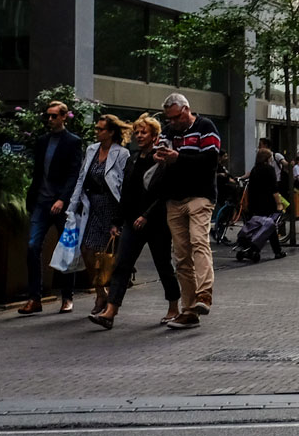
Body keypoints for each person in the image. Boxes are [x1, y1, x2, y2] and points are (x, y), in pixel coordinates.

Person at [90, 114, 181, 330]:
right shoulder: (132, 159)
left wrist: (146, 215)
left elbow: (163, 193)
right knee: (122, 264)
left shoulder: (160, 159)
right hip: (132, 221)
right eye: (137, 132)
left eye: (144, 132)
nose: (139, 136)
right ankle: (111, 311)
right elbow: (127, 193)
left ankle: (173, 307)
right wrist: (117, 221)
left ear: (154, 136)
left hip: (156, 222)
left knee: (163, 265)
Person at [155, 93, 220, 329]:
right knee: (181, 255)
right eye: (168, 119)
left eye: (175, 118)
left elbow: (210, 160)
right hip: (174, 199)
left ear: (186, 110)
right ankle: (190, 309)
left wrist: (178, 158)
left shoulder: (205, 127)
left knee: (199, 241)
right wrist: (161, 156)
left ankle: (204, 295)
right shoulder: (168, 131)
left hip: (199, 196)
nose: (172, 123)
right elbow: (161, 154)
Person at [20, 101, 83, 315]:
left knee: (66, 248)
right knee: (32, 247)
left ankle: (67, 297)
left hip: (60, 204)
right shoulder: (42, 141)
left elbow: (74, 174)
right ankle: (34, 298)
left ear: (64, 117)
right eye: (48, 116)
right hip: (40, 202)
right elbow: (38, 172)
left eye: (54, 116)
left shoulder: (73, 142)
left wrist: (62, 199)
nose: (50, 120)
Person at [67, 113, 131, 314]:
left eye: (100, 129)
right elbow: (81, 177)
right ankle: (100, 292)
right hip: (92, 205)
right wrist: (73, 203)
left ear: (111, 132)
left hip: (112, 206)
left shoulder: (121, 153)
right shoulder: (92, 149)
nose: (96, 132)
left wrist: (119, 218)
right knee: (87, 248)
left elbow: (122, 183)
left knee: (109, 254)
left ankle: (110, 300)